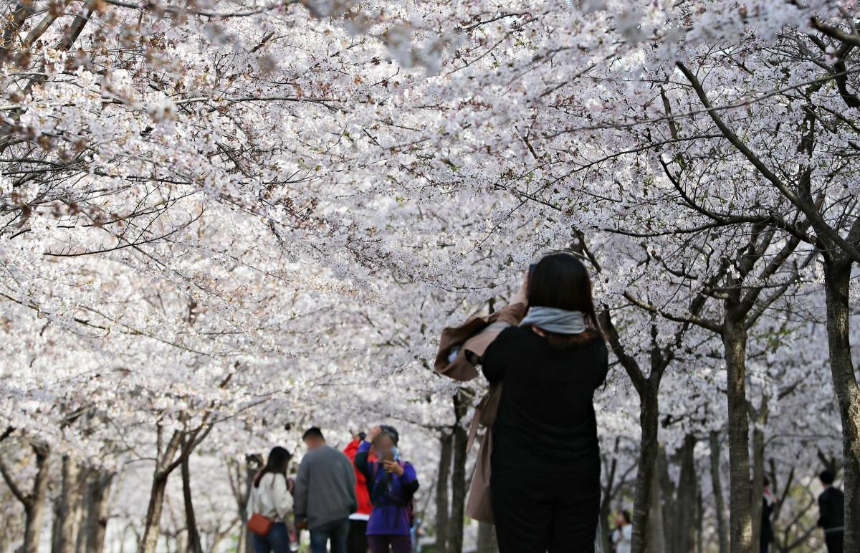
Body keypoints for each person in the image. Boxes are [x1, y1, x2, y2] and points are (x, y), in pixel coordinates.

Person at [481, 253, 609, 553]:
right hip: (578, 476)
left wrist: (518, 305)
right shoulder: (594, 349)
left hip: (519, 475)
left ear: (535, 290)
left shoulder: (514, 344)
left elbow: (489, 365)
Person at [354, 425, 420, 553]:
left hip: (399, 523)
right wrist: (368, 438)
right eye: (381, 445)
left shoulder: (405, 467)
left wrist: (400, 472)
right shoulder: (372, 468)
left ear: (395, 446)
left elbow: (413, 487)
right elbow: (359, 461)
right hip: (377, 525)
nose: (385, 449)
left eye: (388, 445)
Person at [295, 427, 358, 553]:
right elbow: (352, 482)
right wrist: (352, 507)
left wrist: (300, 514)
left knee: (319, 549)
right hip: (342, 513)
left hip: (318, 516)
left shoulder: (309, 459)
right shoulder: (342, 457)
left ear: (311, 440)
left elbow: (301, 488)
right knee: (340, 549)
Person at [248, 447, 295, 553]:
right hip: (275, 525)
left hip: (258, 525)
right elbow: (282, 507)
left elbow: (251, 505)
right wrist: (289, 493)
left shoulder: (259, 477)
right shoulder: (277, 478)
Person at [344, 431, 376, 553]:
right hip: (367, 512)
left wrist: (355, 442)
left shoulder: (355, 460)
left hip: (352, 511)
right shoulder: (375, 461)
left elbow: (346, 458)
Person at [817, 470, 844, 553]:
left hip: (831, 532)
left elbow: (824, 516)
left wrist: (819, 523)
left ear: (822, 482)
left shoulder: (823, 496)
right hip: (844, 529)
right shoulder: (841, 494)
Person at [761, 477, 776, 553]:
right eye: (765, 486)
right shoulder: (761, 498)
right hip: (762, 531)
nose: (766, 488)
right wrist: (772, 504)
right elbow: (766, 514)